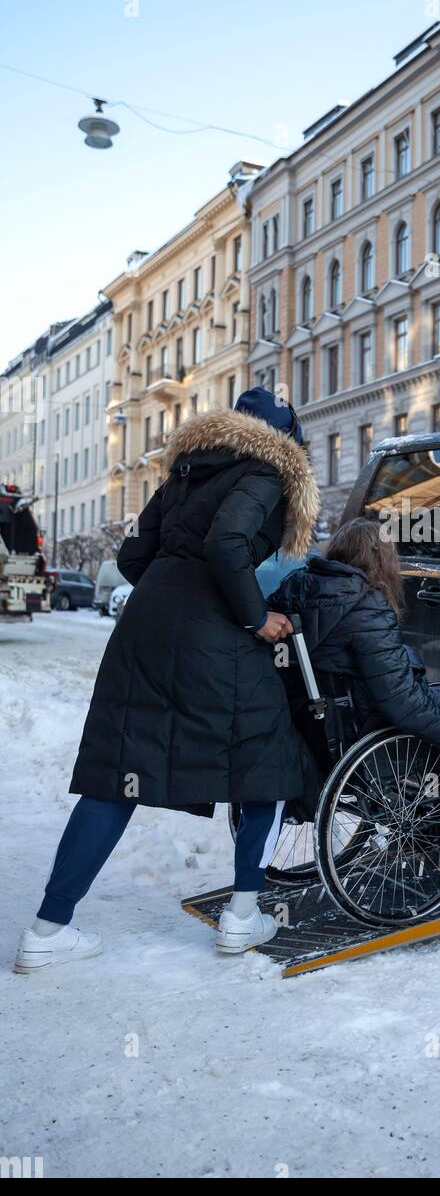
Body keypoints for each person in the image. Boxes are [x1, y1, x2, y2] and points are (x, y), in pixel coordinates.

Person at [14, 388, 319, 974]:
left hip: (144, 631)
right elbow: (228, 543)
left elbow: (132, 556)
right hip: (216, 638)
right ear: (284, 439)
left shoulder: (184, 473)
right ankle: (242, 915)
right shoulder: (265, 470)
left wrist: (173, 587)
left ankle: (48, 928)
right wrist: (256, 615)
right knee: (267, 762)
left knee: (116, 774)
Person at [268, 516, 440, 759]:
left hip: (312, 720)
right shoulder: (366, 605)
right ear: (381, 558)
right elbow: (400, 699)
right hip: (360, 722)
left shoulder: (295, 589)